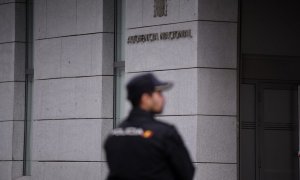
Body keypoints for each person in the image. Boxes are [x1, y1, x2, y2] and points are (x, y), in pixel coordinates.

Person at [104, 73, 195, 180]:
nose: (163, 99)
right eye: (159, 93)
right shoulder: (165, 133)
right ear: (146, 98)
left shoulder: (113, 135)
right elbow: (187, 173)